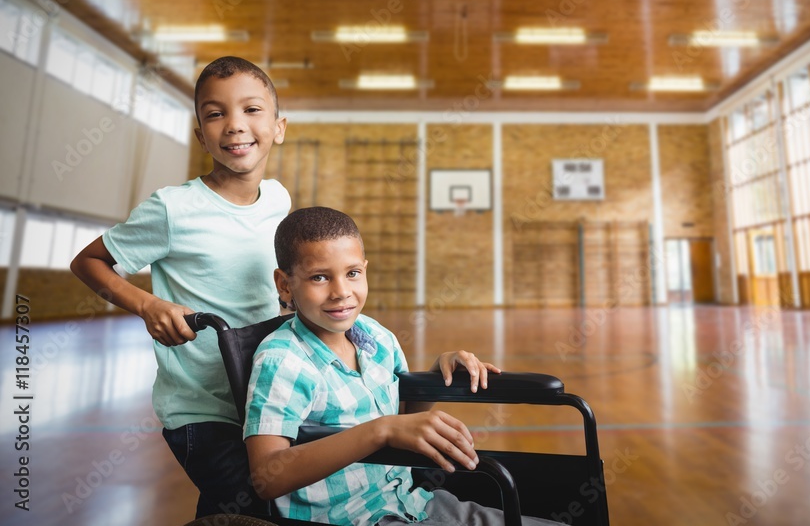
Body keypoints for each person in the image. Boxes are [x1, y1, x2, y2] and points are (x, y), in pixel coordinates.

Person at [244, 207, 565, 526]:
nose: (342, 291)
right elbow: (266, 477)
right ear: (285, 285)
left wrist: (436, 377)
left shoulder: (377, 338)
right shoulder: (282, 360)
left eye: (352, 273)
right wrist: (380, 430)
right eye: (320, 277)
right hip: (351, 518)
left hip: (412, 501)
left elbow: (406, 423)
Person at [70, 56, 289, 518]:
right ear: (200, 135)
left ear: (279, 126)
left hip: (265, 396)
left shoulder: (278, 199)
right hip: (201, 410)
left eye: (251, 110)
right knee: (249, 507)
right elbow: (88, 262)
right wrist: (148, 304)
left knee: (252, 512)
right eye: (215, 113)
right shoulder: (173, 209)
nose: (234, 125)